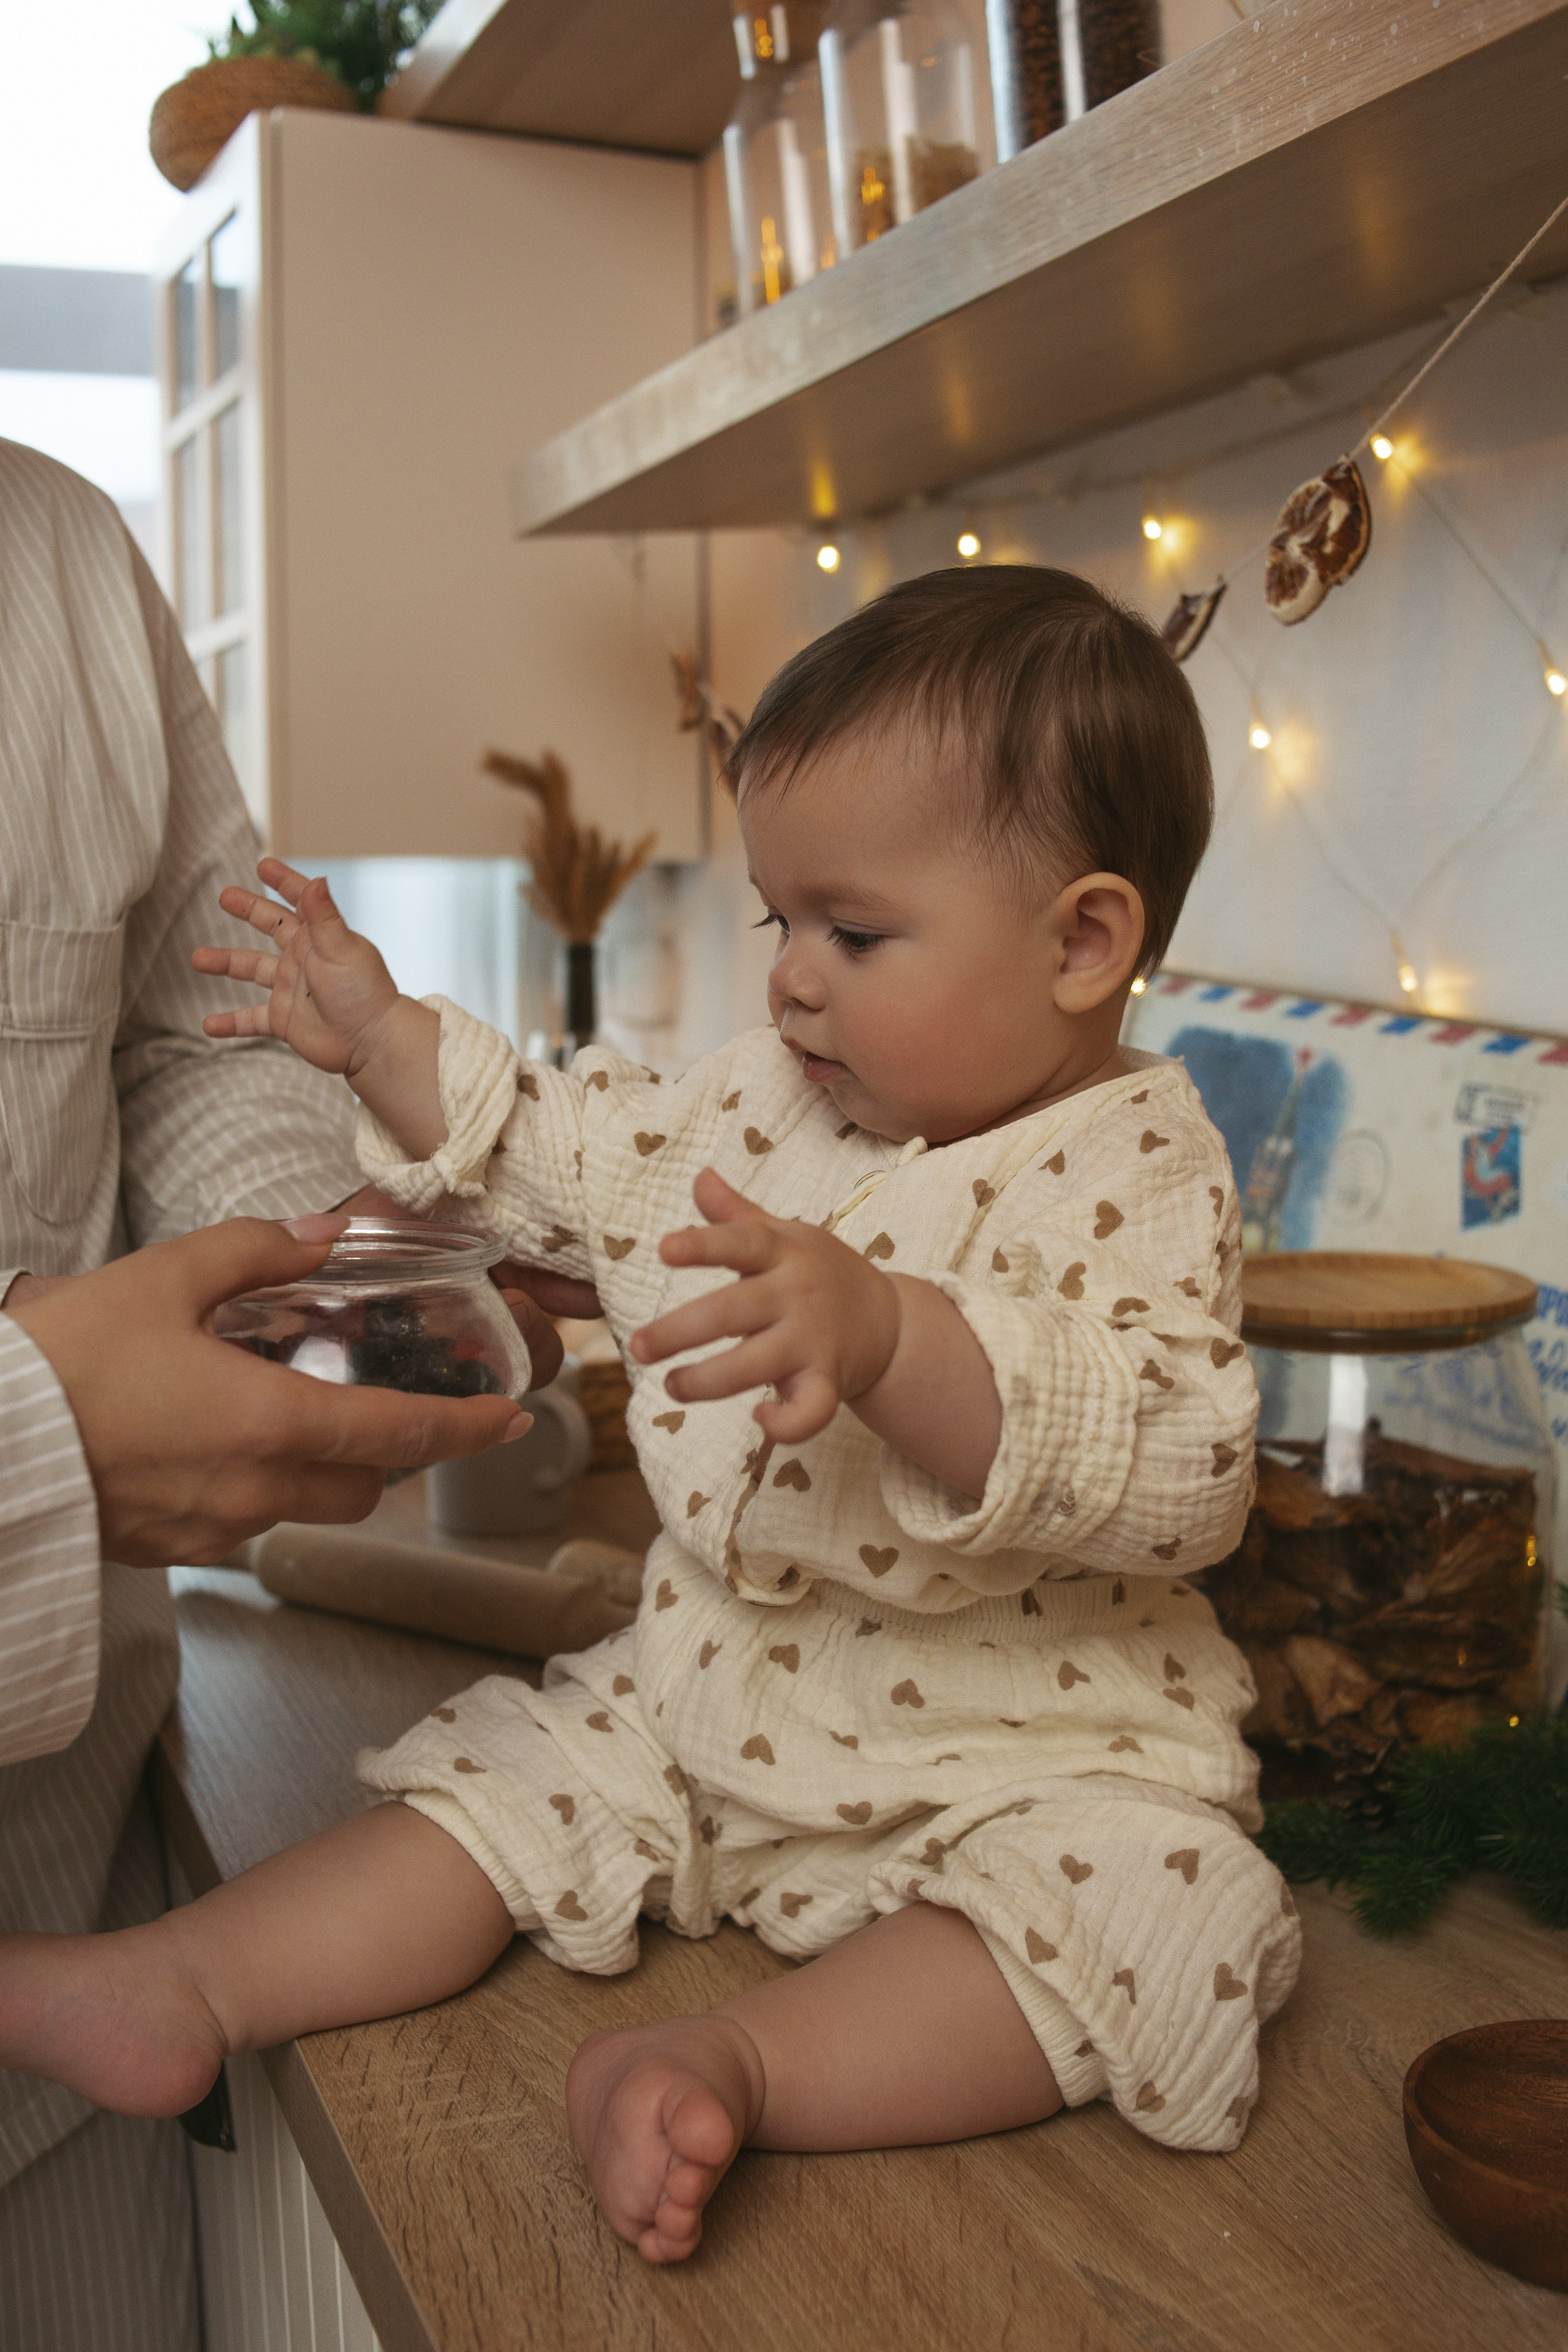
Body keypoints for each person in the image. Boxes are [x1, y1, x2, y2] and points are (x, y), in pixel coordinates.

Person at [0, 564, 1301, 2271]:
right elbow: (574, 1151)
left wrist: (900, 1335)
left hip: (1019, 1755)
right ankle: (187, 1976)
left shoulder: (1135, 1166)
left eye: (852, 932)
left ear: (1084, 942)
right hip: (720, 1692)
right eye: (779, 924)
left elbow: (1182, 1459)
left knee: (1169, 1904)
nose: (790, 985)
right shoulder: (776, 1100)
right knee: (500, 1781)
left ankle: (740, 2064)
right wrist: (386, 1038)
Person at [0, 439, 566, 2351]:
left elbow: (195, 1028)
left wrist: (303, 1297)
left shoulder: (65, 551)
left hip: (59, 1990)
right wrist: (43, 1450)